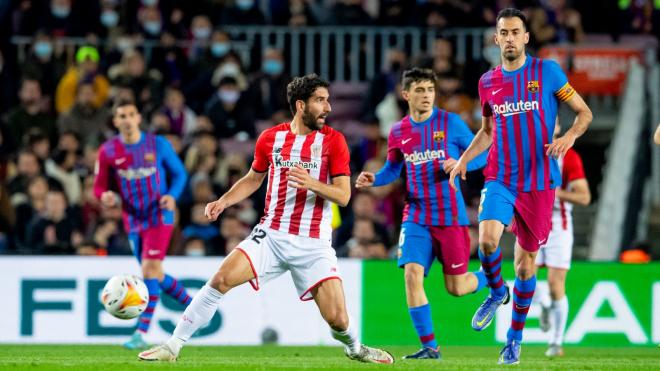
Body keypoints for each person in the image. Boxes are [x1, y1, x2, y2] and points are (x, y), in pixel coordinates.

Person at [138, 74, 394, 364]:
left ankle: (355, 348)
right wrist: (224, 201)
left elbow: (343, 195)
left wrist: (312, 183)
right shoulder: (271, 138)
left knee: (337, 319)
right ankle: (172, 347)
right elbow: (253, 178)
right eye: (320, 100)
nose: (329, 108)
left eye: (328, 100)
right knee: (220, 280)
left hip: (313, 244)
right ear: (301, 105)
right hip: (271, 235)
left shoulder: (334, 142)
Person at [449, 8, 593, 365]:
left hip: (540, 182)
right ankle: (497, 291)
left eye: (516, 31)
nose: (510, 38)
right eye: (504, 32)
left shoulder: (547, 72)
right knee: (484, 240)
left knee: (526, 267)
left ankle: (513, 340)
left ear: (526, 37)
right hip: (501, 175)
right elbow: (487, 132)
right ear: (496, 39)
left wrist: (571, 137)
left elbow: (584, 112)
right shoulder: (487, 82)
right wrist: (465, 158)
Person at [356, 68, 489, 360]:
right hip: (416, 216)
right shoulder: (398, 131)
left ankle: (491, 281)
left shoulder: (451, 123)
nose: (426, 95)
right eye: (419, 90)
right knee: (412, 276)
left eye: (430, 90)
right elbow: (393, 168)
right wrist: (374, 179)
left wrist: (460, 163)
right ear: (406, 95)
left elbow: (484, 156)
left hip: (450, 217)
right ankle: (430, 347)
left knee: (456, 287)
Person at [93, 99, 193, 349]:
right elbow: (99, 185)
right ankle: (195, 308)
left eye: (130, 114)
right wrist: (103, 196)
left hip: (160, 214)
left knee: (149, 271)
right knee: (155, 275)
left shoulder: (157, 144)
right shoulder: (108, 151)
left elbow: (180, 173)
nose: (126, 120)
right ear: (115, 121)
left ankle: (141, 333)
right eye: (121, 116)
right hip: (132, 218)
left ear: (138, 117)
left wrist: (172, 195)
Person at [533, 123, 591, 357]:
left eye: (553, 119)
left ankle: (556, 342)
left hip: (559, 227)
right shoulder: (528, 152)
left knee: (557, 285)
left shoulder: (569, 156)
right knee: (524, 277)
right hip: (533, 223)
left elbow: (584, 197)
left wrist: (556, 194)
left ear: (558, 126)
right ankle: (545, 303)